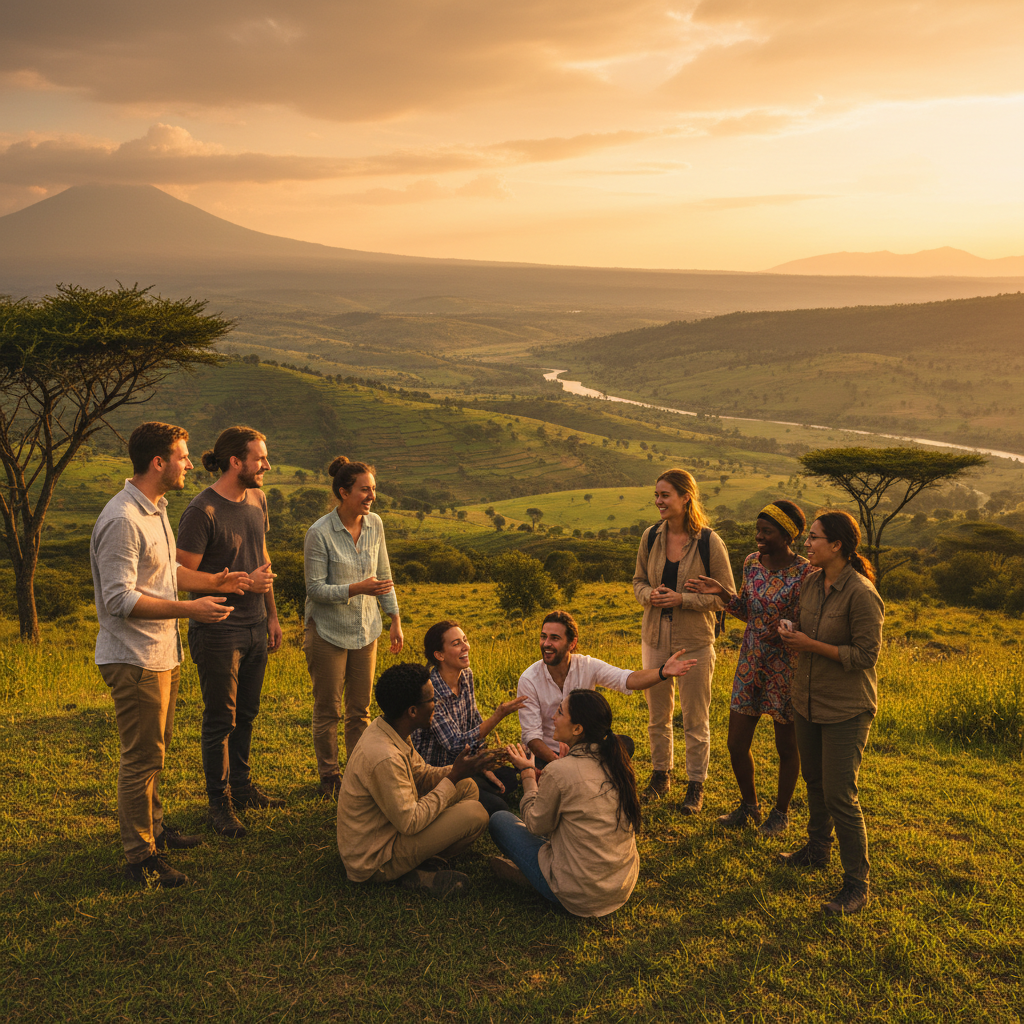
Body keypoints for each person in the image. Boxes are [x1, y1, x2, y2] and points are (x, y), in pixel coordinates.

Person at [91, 422, 252, 887]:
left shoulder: (155, 509)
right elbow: (120, 598)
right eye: (181, 456)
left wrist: (216, 582)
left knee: (155, 754)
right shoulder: (123, 519)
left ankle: (156, 829)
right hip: (135, 657)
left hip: (162, 652)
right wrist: (190, 609)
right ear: (158, 462)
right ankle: (139, 856)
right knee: (141, 759)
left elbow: (167, 575)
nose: (189, 463)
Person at [176, 425, 284, 838]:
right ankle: (217, 804)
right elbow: (182, 575)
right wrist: (238, 583)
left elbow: (263, 558)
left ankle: (241, 788)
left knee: (248, 713)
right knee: (221, 718)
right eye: (260, 458)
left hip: (256, 624)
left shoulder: (257, 499)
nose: (267, 465)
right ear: (236, 461)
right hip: (218, 630)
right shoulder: (201, 511)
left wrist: (271, 615)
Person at [685, 500, 815, 836]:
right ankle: (749, 807)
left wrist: (787, 624)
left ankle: (780, 813)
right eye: (758, 530)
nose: (759, 537)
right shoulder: (751, 564)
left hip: (786, 666)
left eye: (766, 532)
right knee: (736, 743)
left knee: (786, 746)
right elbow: (746, 609)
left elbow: (812, 619)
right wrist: (723, 594)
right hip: (751, 662)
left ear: (788, 535)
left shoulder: (806, 572)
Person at [777, 510, 884, 916]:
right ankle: (817, 848)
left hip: (845, 708)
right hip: (806, 699)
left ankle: (857, 885)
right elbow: (807, 630)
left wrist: (811, 645)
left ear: (837, 544)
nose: (807, 544)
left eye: (815, 538)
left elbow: (866, 655)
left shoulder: (861, 593)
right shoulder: (810, 581)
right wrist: (793, 634)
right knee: (814, 779)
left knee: (841, 795)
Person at [336, 662, 497, 897]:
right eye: (432, 700)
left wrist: (461, 771)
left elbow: (421, 775)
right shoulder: (384, 757)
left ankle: (422, 863)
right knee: (476, 814)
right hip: (375, 859)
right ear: (412, 711)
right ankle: (410, 871)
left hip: (390, 831)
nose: (437, 705)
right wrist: (452, 777)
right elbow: (410, 822)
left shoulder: (391, 728)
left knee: (467, 787)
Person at [633, 469, 735, 809]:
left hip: (694, 640)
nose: (659, 501)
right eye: (657, 495)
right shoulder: (650, 537)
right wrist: (651, 595)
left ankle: (695, 785)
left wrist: (683, 600)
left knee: (695, 715)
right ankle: (661, 775)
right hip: (654, 638)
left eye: (666, 495)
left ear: (685, 497)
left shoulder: (709, 542)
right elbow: (637, 583)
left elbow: (727, 597)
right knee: (657, 713)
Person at [490, 689, 641, 918]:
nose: (553, 717)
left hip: (578, 895)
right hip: (620, 886)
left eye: (560, 712)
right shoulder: (618, 764)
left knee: (500, 820)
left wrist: (528, 774)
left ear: (578, 729)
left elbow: (535, 824)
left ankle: (532, 877)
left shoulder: (560, 771)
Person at [303, 456, 403, 798]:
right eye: (364, 489)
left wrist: (394, 619)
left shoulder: (375, 524)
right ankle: (329, 775)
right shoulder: (319, 533)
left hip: (366, 629)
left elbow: (384, 574)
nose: (371, 495)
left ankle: (358, 772)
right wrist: (357, 588)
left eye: (373, 489)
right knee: (328, 708)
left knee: (359, 711)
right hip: (327, 631)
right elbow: (315, 589)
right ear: (343, 493)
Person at [517, 611, 697, 774]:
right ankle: (577, 773)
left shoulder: (587, 666)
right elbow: (531, 736)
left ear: (572, 643)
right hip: (548, 755)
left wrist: (663, 672)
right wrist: (558, 762)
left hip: (584, 750)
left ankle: (579, 772)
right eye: (543, 637)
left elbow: (626, 679)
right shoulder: (529, 679)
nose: (546, 644)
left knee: (624, 745)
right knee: (537, 768)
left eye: (554, 638)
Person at [413, 620, 528, 815]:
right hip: (439, 771)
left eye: (464, 640)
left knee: (509, 780)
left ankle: (475, 784)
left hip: (465, 763)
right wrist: (498, 714)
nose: (466, 646)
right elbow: (455, 744)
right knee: (497, 806)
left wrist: (481, 764)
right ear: (439, 655)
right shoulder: (430, 691)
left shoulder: (466, 675)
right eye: (456, 643)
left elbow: (474, 720)